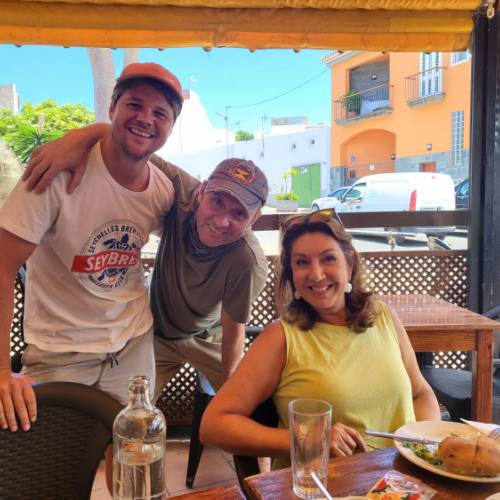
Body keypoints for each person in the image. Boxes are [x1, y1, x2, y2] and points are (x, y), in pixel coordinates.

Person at [21, 116, 269, 401]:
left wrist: (231, 397)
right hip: (156, 333)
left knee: (251, 399)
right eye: (217, 201)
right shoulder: (181, 192)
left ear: (254, 219)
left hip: (208, 337)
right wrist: (76, 138)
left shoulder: (248, 261)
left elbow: (234, 330)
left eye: (239, 213)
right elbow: (131, 145)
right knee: (133, 410)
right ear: (201, 192)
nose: (221, 220)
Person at [0, 61, 182, 432]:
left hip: (132, 343)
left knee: (134, 451)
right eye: (134, 104)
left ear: (170, 127)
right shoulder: (54, 174)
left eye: (160, 113)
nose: (146, 118)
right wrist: (2, 371)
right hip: (60, 350)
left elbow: (212, 219)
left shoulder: (163, 191)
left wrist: (88, 133)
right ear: (112, 108)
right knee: (52, 457)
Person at [199, 210, 441, 468]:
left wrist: (422, 450)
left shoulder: (383, 316)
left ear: (349, 264)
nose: (315, 274)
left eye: (328, 258)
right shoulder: (281, 337)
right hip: (325, 485)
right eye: (302, 262)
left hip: (404, 482)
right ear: (292, 275)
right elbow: (213, 425)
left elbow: (421, 394)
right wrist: (308, 438)